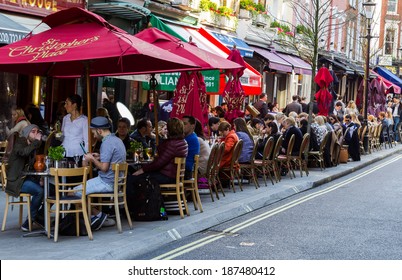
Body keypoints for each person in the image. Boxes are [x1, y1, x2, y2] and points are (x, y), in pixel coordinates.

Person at [76, 116, 126, 231]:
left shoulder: (106, 143)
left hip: (106, 182)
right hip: (115, 181)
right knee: (79, 192)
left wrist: (92, 159)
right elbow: (112, 160)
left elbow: (104, 168)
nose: (94, 136)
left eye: (94, 132)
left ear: (99, 131)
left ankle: (98, 215)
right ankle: (96, 216)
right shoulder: (117, 140)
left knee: (73, 193)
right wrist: (99, 157)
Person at [5, 124, 44, 231]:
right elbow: (23, 152)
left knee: (50, 189)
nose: (36, 134)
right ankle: (29, 221)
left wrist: (40, 179)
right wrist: (36, 142)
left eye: (37, 131)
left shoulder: (33, 145)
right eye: (33, 131)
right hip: (16, 181)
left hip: (25, 178)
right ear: (27, 133)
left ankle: (40, 217)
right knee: (40, 191)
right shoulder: (20, 142)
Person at [131, 117, 188, 184]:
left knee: (133, 178)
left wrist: (143, 170)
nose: (166, 131)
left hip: (167, 176)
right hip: (173, 175)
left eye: (167, 128)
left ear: (171, 130)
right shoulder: (183, 142)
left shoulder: (171, 144)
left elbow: (159, 163)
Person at [61, 94, 88, 165]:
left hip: (77, 155)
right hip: (64, 153)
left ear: (74, 105)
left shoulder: (84, 120)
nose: (65, 106)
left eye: (67, 103)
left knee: (75, 175)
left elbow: (87, 141)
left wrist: (85, 159)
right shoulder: (65, 118)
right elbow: (62, 136)